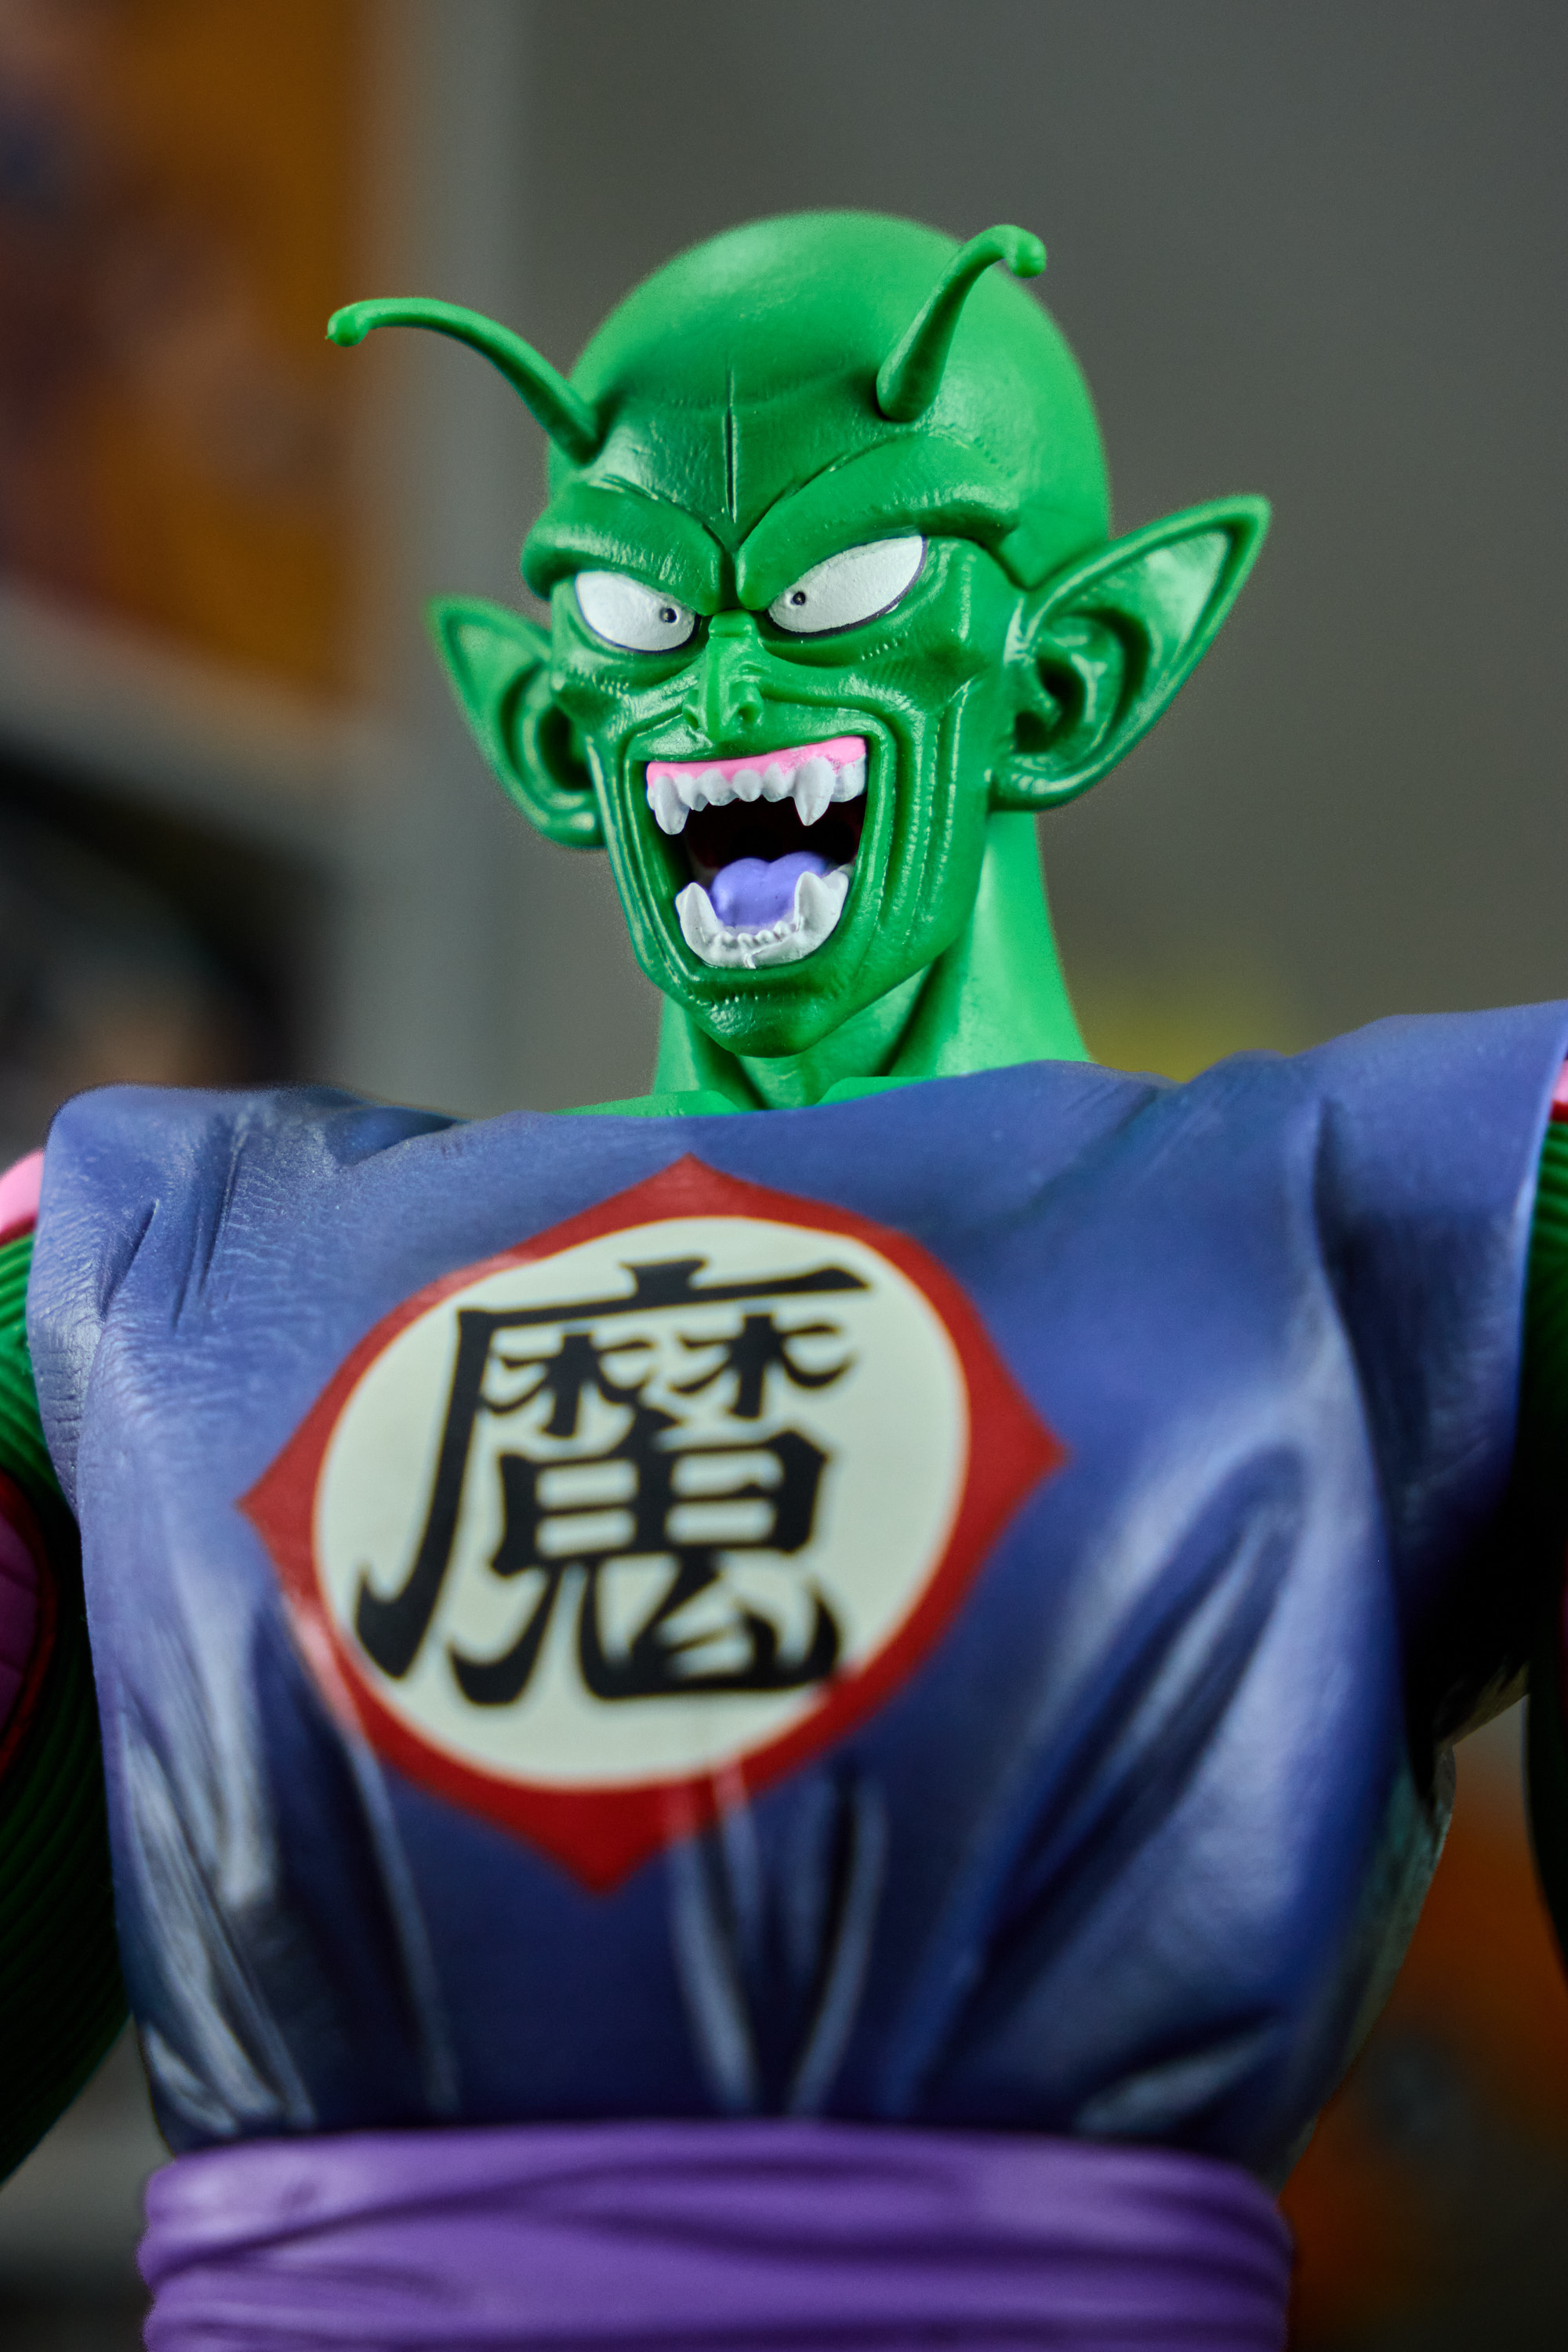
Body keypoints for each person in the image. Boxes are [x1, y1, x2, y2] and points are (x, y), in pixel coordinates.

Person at [2, 211, 1566, 2351]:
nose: (728, 692)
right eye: (642, 614)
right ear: (544, 722)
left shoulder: (1419, 1202)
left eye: (845, 587)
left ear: (1082, 669)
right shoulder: (155, 1262)